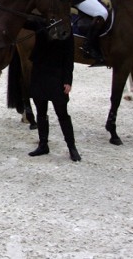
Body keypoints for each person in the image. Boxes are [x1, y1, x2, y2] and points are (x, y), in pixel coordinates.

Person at [24, 17, 81, 162]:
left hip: (57, 74)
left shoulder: (66, 28)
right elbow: (24, 20)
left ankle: (72, 147)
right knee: (41, 112)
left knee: (62, 113)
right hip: (40, 71)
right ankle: (43, 144)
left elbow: (69, 57)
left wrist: (68, 80)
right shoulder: (40, 22)